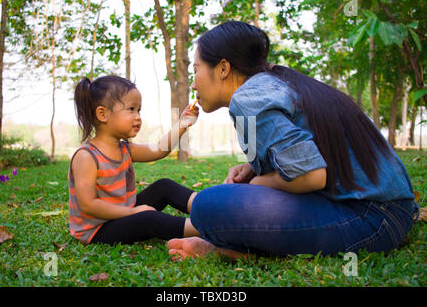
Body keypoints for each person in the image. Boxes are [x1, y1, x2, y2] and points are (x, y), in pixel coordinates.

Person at [167, 21, 421, 260]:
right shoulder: (276, 82)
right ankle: (235, 248)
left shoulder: (247, 100)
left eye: (196, 70)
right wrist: (253, 168)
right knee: (225, 199)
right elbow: (307, 151)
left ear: (223, 68)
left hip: (372, 219)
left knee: (207, 206)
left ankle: (238, 249)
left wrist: (255, 182)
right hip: (390, 210)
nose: (193, 84)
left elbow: (310, 176)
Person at [69, 75, 200, 245]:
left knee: (163, 186)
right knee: (148, 219)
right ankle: (206, 228)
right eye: (131, 109)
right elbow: (89, 205)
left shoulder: (125, 148)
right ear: (102, 114)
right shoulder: (86, 156)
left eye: (139, 110)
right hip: (98, 229)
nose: (138, 116)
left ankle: (207, 208)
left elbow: (160, 149)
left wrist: (183, 124)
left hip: (124, 211)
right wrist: (133, 213)